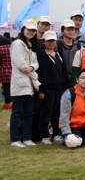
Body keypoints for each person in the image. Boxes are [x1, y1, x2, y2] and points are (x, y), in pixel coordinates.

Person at [9, 20, 41, 148]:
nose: (31, 32)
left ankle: (27, 137)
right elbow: (21, 64)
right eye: (29, 30)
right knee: (17, 112)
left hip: (29, 85)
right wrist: (32, 72)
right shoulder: (17, 44)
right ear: (23, 29)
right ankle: (15, 139)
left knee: (28, 112)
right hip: (19, 83)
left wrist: (32, 68)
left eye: (33, 30)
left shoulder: (30, 44)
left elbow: (35, 63)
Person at [35, 31, 67, 144]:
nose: (51, 43)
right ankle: (44, 135)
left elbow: (63, 71)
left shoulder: (58, 54)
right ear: (44, 41)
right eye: (48, 41)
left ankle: (56, 133)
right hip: (48, 88)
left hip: (60, 88)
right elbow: (40, 74)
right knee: (46, 112)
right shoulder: (41, 56)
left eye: (53, 40)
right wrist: (41, 90)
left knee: (57, 112)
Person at [59, 69, 85, 148]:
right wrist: (66, 133)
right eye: (83, 78)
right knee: (77, 142)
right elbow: (64, 116)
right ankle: (64, 139)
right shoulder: (68, 94)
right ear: (77, 80)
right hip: (72, 126)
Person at [0, 34, 11, 110]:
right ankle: (11, 101)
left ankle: (7, 103)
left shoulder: (1, 49)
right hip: (13, 70)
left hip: (4, 71)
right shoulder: (12, 47)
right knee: (11, 87)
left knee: (6, 87)